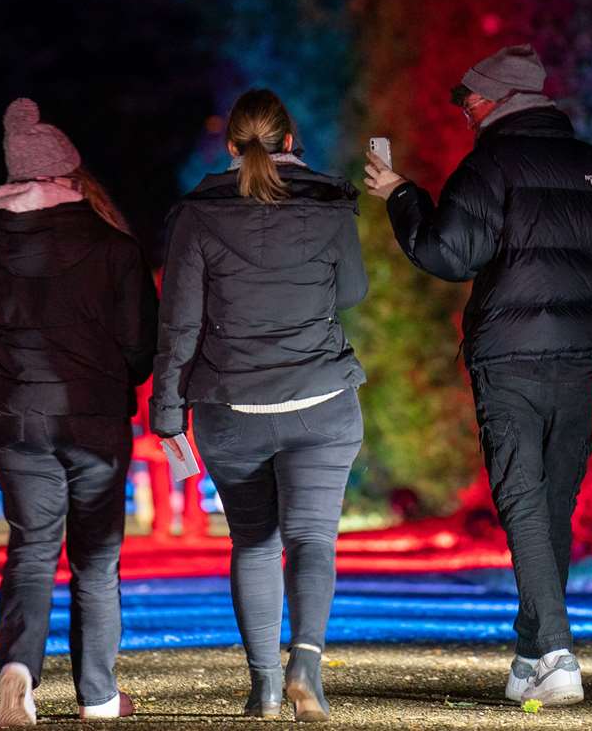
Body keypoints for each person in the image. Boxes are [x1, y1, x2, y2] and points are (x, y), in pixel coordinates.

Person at [363, 45, 592, 708]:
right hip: (579, 353)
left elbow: (447, 252)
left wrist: (402, 195)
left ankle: (555, 650)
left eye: (467, 100)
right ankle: (532, 652)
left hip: (508, 355)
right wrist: (586, 304)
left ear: (495, 102)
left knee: (523, 494)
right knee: (553, 500)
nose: (465, 112)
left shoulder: (491, 165)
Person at [151, 88, 368, 722]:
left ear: (230, 147)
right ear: (291, 142)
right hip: (321, 402)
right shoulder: (330, 208)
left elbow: (179, 326)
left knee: (253, 543)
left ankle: (265, 686)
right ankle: (306, 666)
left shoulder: (197, 217)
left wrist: (167, 414)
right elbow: (350, 291)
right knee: (311, 540)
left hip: (231, 407)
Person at [0, 98, 158, 726]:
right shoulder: (115, 249)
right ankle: (98, 696)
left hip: (17, 421)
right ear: (69, 178)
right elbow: (139, 348)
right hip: (94, 419)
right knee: (96, 561)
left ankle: (18, 672)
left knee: (32, 549)